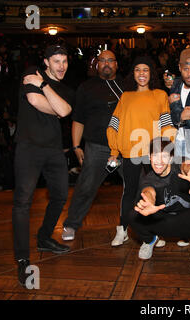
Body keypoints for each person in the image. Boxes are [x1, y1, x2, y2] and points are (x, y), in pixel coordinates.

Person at [12, 45, 74, 287]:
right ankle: (22, 259)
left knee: (60, 195)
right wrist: (57, 107)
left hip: (54, 149)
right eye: (56, 61)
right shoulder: (31, 72)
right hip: (29, 147)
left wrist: (46, 87)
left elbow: (66, 110)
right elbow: (35, 100)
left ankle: (44, 237)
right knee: (22, 202)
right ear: (46, 62)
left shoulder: (62, 87)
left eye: (65, 61)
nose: (61, 66)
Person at [107, 56, 176, 247]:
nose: (142, 73)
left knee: (154, 191)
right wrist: (114, 149)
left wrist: (166, 150)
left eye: (145, 69)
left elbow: (166, 124)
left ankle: (153, 232)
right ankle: (122, 229)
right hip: (130, 153)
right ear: (133, 74)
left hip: (153, 154)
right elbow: (114, 125)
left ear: (151, 73)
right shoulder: (126, 96)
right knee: (129, 192)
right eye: (138, 70)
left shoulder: (160, 95)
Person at [129, 137, 190, 279]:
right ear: (149, 157)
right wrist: (149, 201)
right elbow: (149, 190)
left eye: (164, 156)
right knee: (133, 214)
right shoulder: (147, 178)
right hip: (163, 223)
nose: (159, 161)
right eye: (155, 155)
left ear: (172, 157)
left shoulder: (178, 166)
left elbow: (185, 165)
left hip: (187, 223)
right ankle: (150, 240)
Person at [61, 50, 124, 241]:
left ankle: (142, 227)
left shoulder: (128, 85)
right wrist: (76, 146)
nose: (106, 63)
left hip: (125, 147)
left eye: (110, 60)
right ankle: (71, 225)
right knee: (85, 187)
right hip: (96, 147)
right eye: (102, 60)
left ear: (116, 64)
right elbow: (78, 119)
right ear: (97, 65)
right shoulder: (86, 87)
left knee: (137, 186)